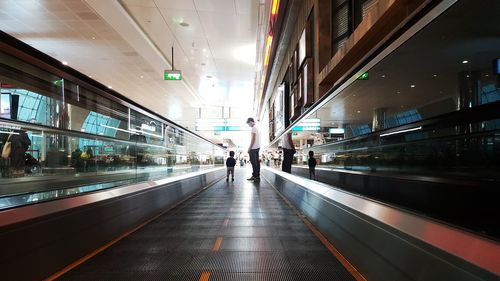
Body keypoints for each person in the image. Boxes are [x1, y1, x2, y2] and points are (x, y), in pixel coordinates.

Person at [246, 117, 261, 182]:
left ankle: (255, 176)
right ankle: (256, 176)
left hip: (253, 148)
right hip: (257, 147)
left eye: (248, 124)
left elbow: (253, 139)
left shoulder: (254, 128)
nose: (249, 125)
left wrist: (249, 148)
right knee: (257, 163)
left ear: (251, 122)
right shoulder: (257, 128)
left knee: (254, 163)